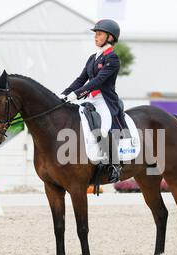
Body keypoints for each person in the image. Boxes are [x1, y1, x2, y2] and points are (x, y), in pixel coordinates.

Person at [59, 19, 124, 183]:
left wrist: (77, 94)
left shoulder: (113, 59)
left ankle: (114, 165)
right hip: (90, 99)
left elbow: (98, 81)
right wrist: (64, 94)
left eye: (99, 34)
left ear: (110, 37)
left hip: (105, 100)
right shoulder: (92, 58)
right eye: (95, 34)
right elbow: (81, 79)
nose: (96, 37)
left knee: (102, 129)